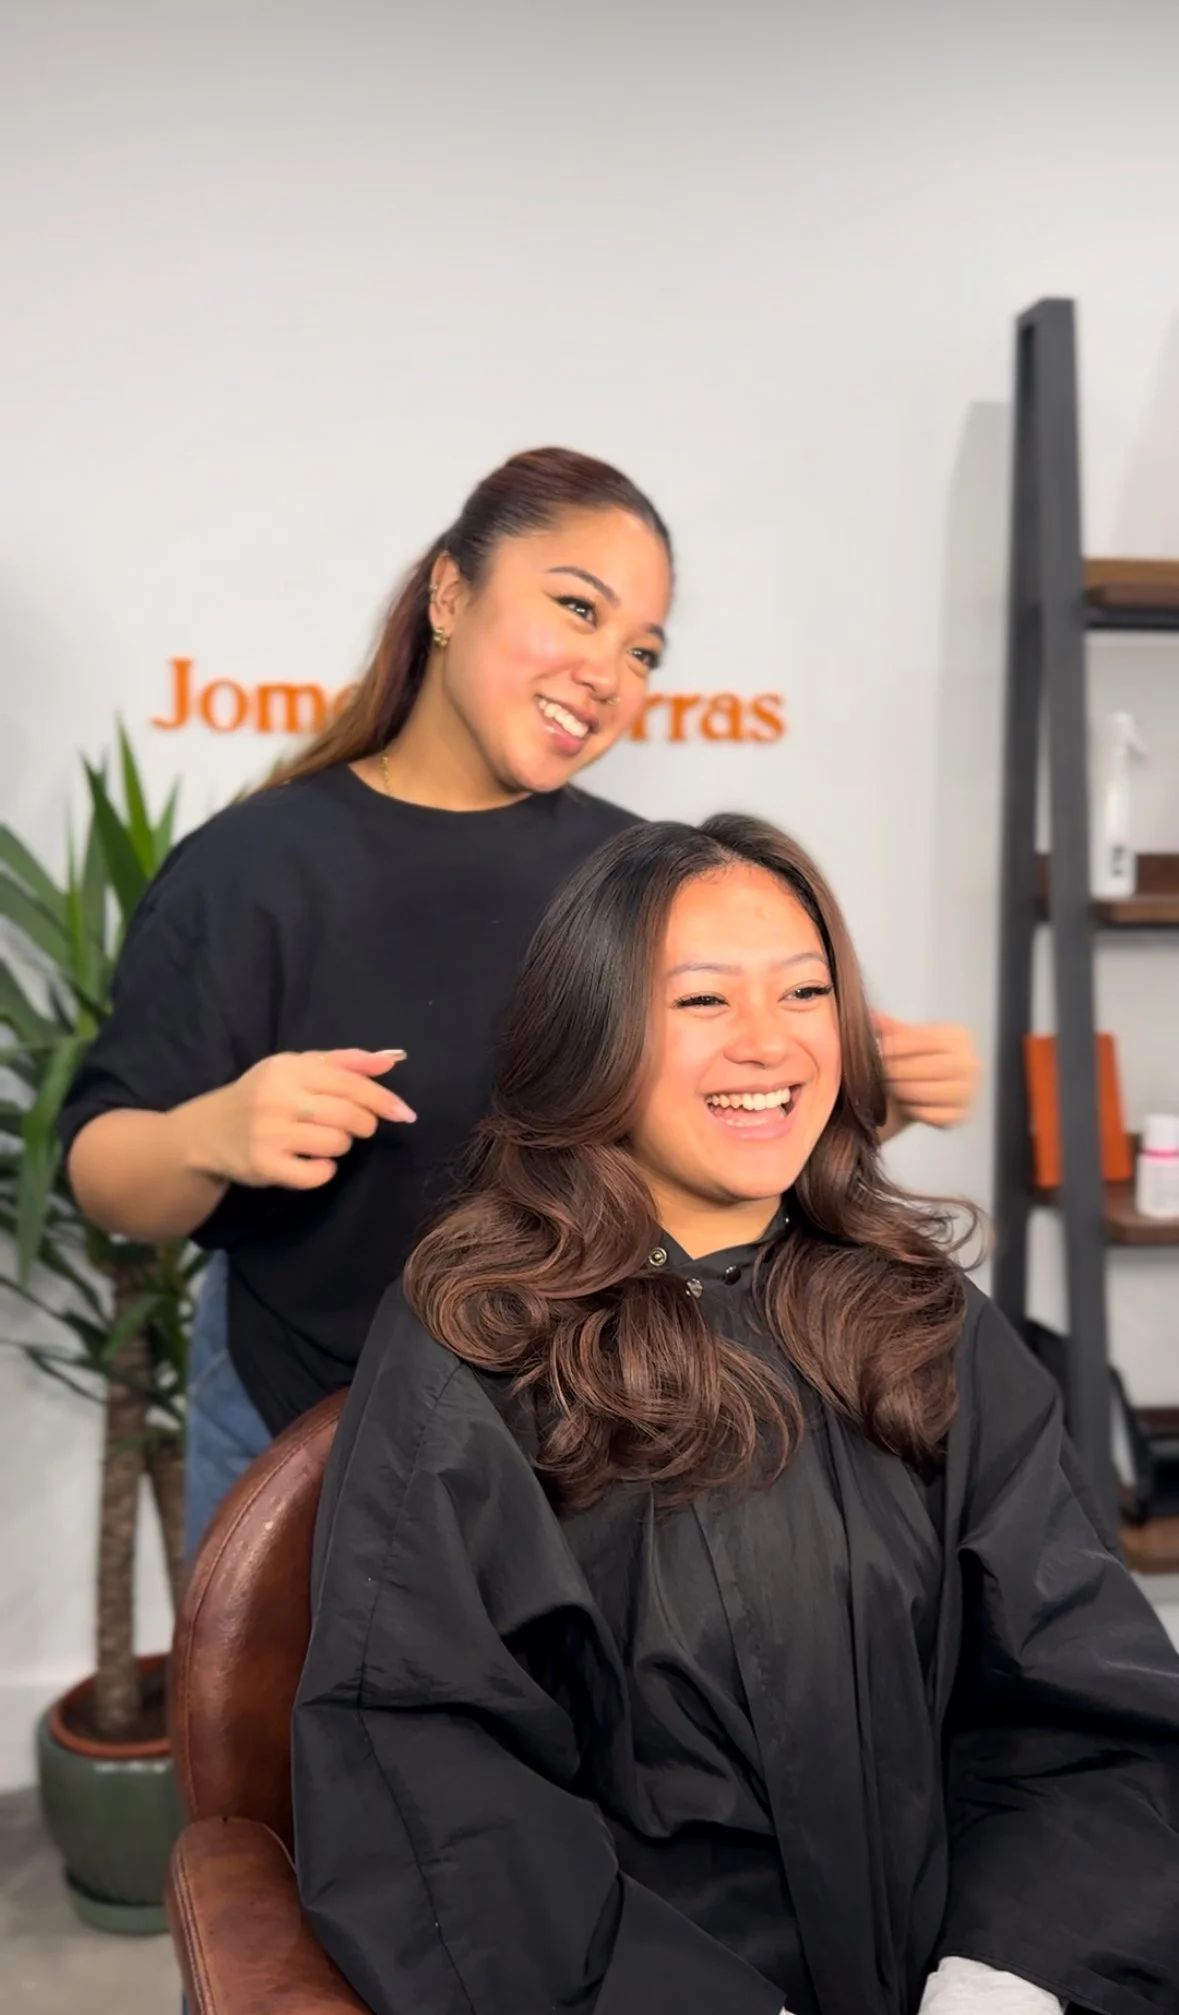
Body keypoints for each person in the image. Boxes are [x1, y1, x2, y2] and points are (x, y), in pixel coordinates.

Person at [293, 814, 1179, 2015]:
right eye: (702, 1001)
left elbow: (1084, 1698)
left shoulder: (923, 1319)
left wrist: (1004, 1976)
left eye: (807, 989)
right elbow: (429, 1777)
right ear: (594, 1030)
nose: (771, 1042)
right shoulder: (481, 1345)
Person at [59, 448, 980, 1558]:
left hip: (572, 1426)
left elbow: (684, 1139)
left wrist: (860, 1098)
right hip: (300, 1414)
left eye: (641, 649)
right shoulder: (255, 866)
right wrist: (213, 1131)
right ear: (451, 593)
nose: (608, 667)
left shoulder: (632, 875)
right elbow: (106, 1170)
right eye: (577, 607)